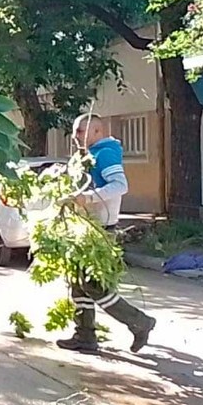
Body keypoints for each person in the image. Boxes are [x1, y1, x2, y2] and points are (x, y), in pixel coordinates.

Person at [56, 113, 157, 353]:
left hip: (101, 230)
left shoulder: (105, 154)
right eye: (75, 131)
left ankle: (139, 322)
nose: (75, 136)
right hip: (86, 228)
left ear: (97, 131)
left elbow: (120, 185)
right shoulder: (88, 155)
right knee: (78, 283)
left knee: (93, 285)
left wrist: (88, 197)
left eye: (80, 131)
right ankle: (85, 336)